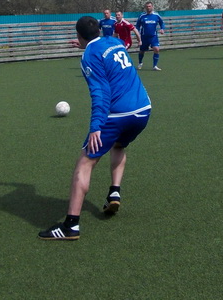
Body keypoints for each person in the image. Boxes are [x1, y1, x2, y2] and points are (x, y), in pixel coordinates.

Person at [39, 16, 152, 241]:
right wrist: (87, 44)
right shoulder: (115, 41)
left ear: (78, 35)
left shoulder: (89, 55)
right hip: (143, 109)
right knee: (119, 145)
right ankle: (114, 192)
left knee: (85, 163)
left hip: (117, 114)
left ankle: (71, 226)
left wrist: (96, 127)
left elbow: (100, 92)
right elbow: (109, 51)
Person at [135, 2, 165, 71]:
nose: (148, 8)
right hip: (144, 37)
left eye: (149, 6)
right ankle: (140, 63)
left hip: (153, 36)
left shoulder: (156, 15)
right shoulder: (142, 16)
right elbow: (137, 25)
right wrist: (137, 33)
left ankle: (155, 66)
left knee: (156, 49)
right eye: (147, 6)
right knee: (142, 51)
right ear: (145, 7)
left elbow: (162, 23)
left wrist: (162, 29)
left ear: (152, 7)